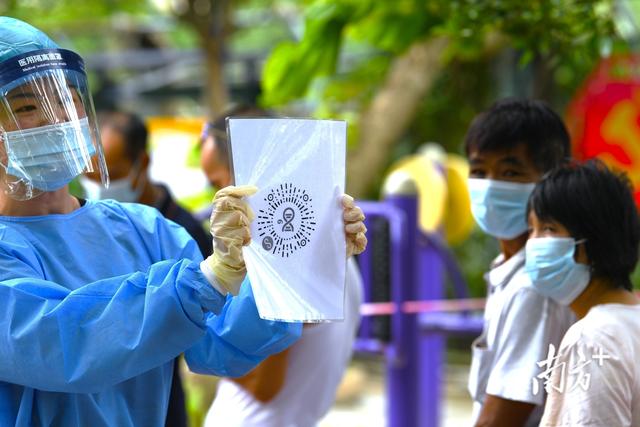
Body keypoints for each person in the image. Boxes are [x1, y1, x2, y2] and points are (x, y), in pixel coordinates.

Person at [0, 17, 367, 427]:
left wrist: (300, 254)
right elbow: (65, 344)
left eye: (67, 103)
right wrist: (208, 281)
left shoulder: (144, 230)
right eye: (29, 107)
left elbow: (220, 343)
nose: (58, 122)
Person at [199, 108, 365, 427]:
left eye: (218, 185)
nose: (216, 202)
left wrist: (204, 347)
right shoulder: (324, 250)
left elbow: (265, 385)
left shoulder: (287, 260)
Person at [79, 110, 211, 427]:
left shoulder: (181, 233)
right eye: (90, 176)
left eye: (111, 174)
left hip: (159, 399)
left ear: (143, 163)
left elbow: (208, 328)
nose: (99, 186)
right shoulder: (86, 223)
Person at [464, 98, 575, 427]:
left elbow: (505, 415)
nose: (489, 185)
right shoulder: (509, 268)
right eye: (479, 171)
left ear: (551, 179)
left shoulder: (535, 284)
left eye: (510, 172)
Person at [525, 160, 640, 426]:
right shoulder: (628, 324)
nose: (533, 244)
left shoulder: (592, 339)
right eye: (531, 229)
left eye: (549, 229)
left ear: (588, 245)